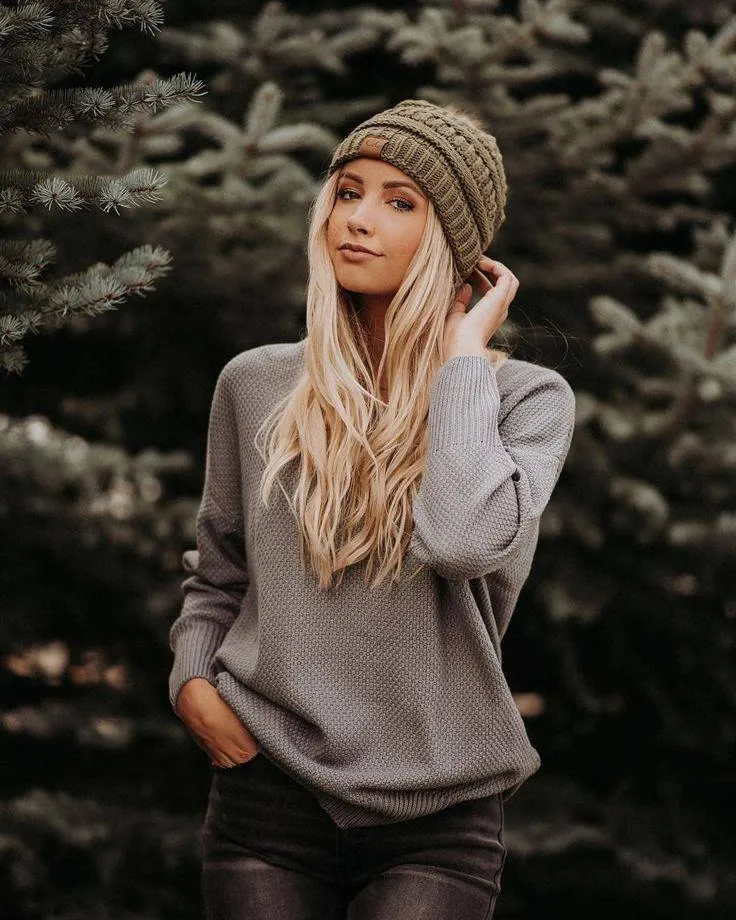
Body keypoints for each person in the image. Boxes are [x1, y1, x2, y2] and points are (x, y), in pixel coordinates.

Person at [168, 98, 576, 919]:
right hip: (266, 795)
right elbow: (219, 575)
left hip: (439, 812)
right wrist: (192, 683)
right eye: (348, 191)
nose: (358, 219)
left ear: (452, 244)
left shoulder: (523, 400)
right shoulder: (256, 383)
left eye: (400, 203)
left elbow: (462, 541)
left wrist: (461, 364)